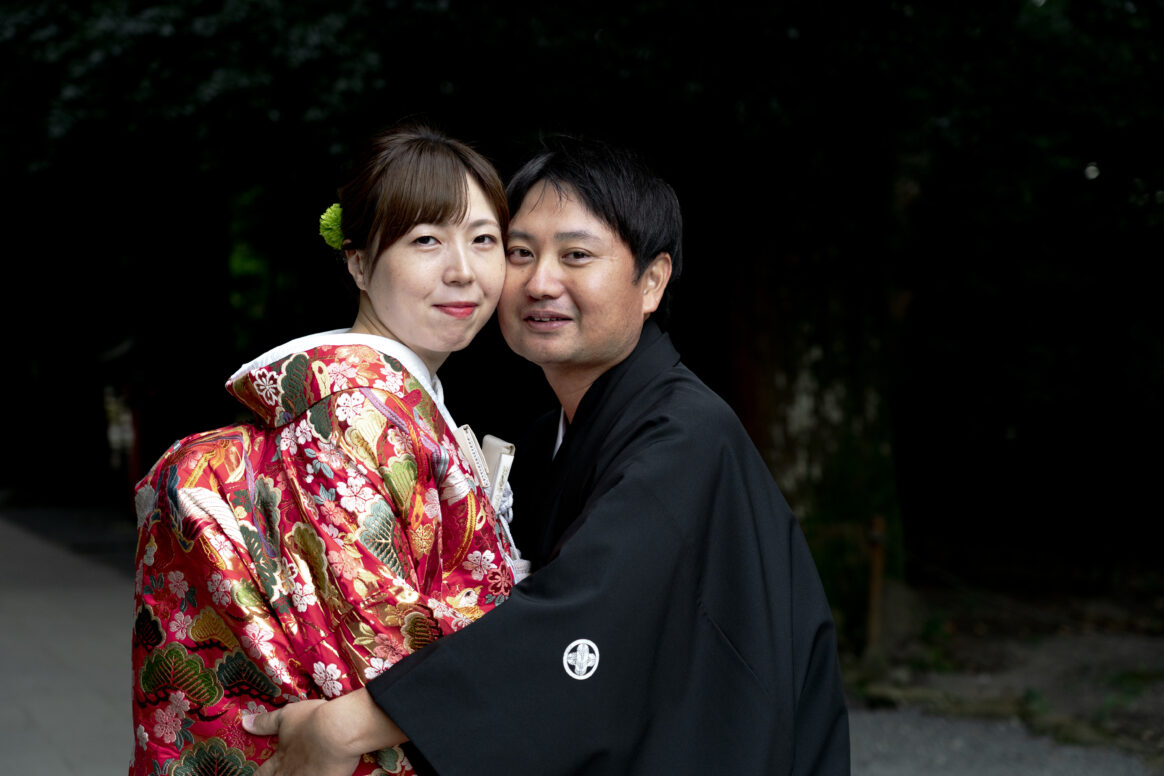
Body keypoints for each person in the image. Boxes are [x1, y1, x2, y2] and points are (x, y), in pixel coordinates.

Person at [246, 136, 851, 775]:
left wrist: (348, 723)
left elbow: (583, 618)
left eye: (576, 255)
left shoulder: (688, 438)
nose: (539, 283)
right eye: (520, 253)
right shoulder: (544, 440)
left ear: (652, 281)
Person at [129, 125, 524, 776]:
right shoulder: (354, 417)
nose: (463, 270)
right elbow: (383, 646)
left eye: (484, 240)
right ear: (359, 262)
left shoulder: (390, 404)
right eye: (426, 240)